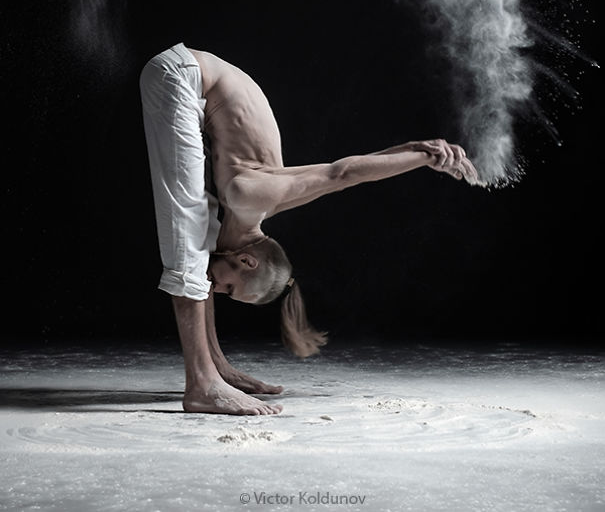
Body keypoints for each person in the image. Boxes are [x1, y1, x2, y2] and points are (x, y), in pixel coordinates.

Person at [139, 42, 479, 415]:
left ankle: (215, 366)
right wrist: (425, 157)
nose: (216, 289)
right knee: (185, 246)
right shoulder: (247, 195)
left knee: (195, 245)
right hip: (182, 75)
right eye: (229, 287)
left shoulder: (258, 205)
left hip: (192, 77)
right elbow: (341, 174)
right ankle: (203, 384)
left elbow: (340, 172)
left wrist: (410, 145)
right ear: (248, 260)